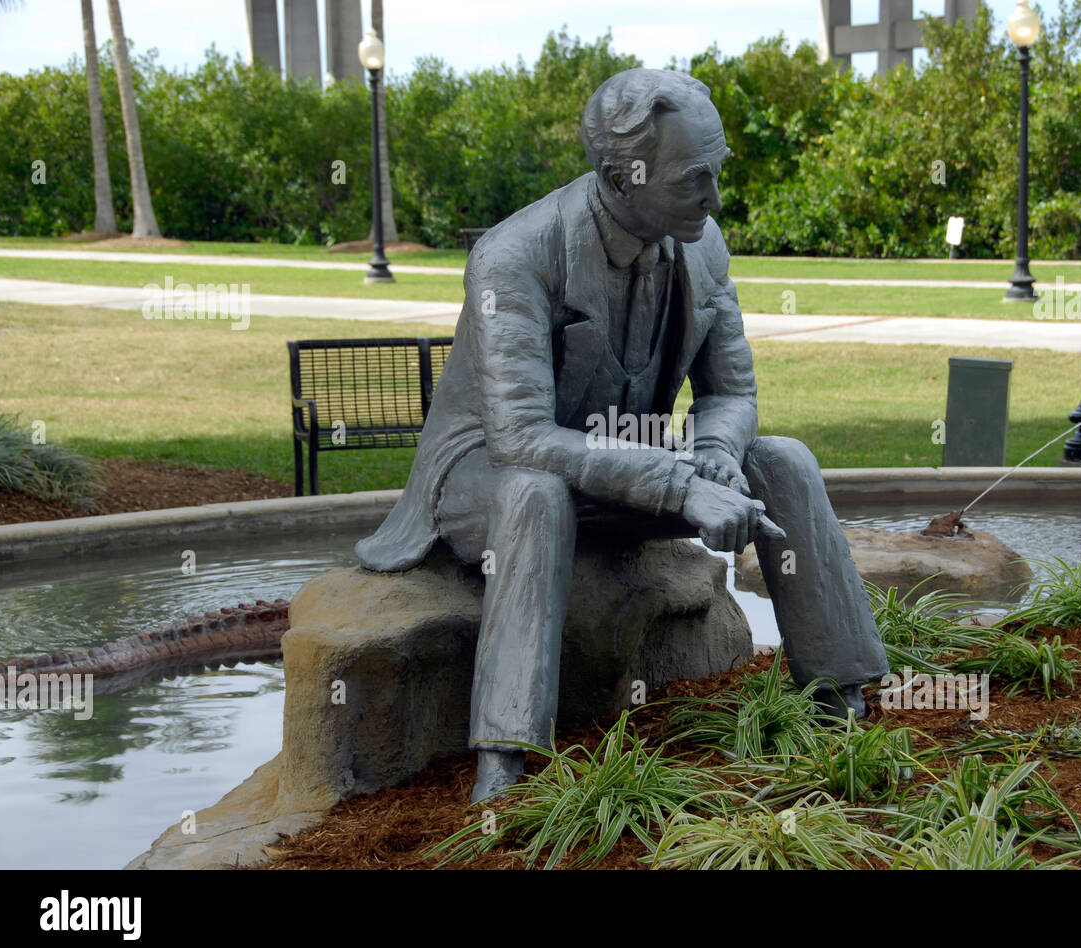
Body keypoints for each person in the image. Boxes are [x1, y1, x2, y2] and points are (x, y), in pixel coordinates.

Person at [355, 68, 887, 802]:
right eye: (694, 180)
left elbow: (732, 392)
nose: (715, 198)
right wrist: (680, 487)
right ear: (620, 175)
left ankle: (841, 694)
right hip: (489, 474)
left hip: (618, 460)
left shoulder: (702, 244)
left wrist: (715, 455)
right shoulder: (513, 258)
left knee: (785, 461)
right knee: (538, 494)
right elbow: (523, 440)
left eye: (716, 173)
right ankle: (505, 765)